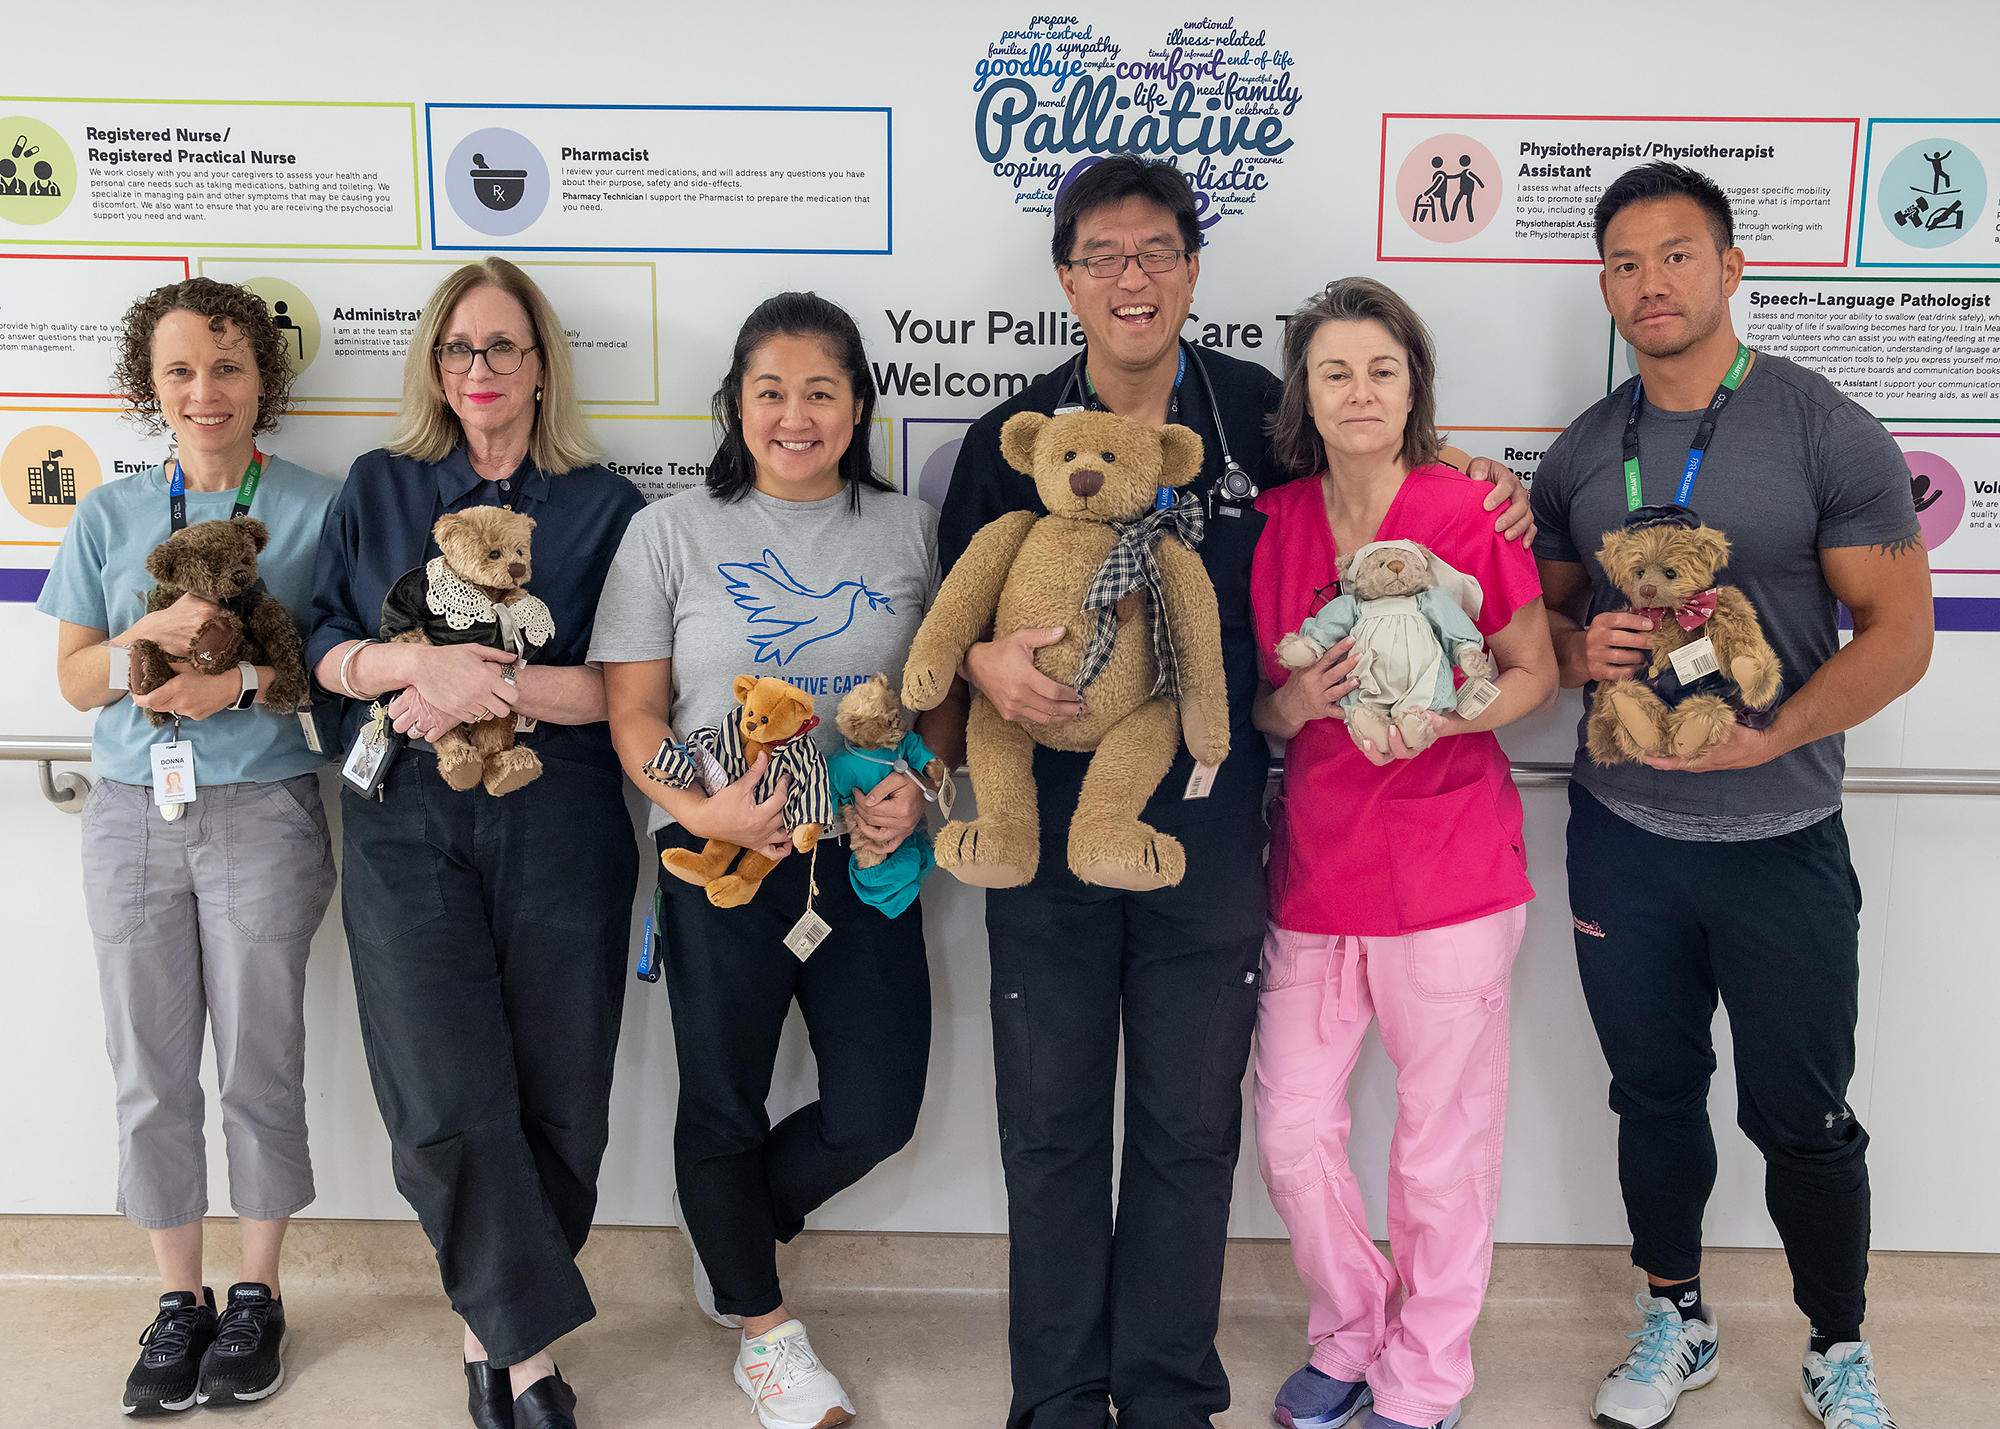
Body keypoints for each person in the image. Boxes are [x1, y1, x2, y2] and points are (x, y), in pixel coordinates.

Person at [933, 153, 1535, 1429]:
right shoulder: (1012, 438)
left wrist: (1484, 487)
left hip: (1205, 829)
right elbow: (957, 623)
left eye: (1157, 251)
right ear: (1066, 278)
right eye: (1102, 256)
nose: (1132, 278)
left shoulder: (1264, 412)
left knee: (1185, 1127)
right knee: (1046, 1133)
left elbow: (1378, 468)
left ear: (1195, 268)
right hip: (1041, 832)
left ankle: (1161, 1392)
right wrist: (981, 662)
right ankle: (1053, 1395)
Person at [1530, 162, 1932, 1429]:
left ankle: (1836, 1339)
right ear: (1602, 284)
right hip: (1623, 835)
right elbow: (1540, 614)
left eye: (1673, 255)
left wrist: (1774, 739)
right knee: (1649, 1092)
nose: (1649, 283)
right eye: (1623, 263)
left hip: (1780, 837)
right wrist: (1570, 648)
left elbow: (1899, 633)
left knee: (1800, 1112)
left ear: (1727, 266)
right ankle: (1675, 1315)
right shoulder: (1586, 451)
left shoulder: (1822, 427)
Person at [308, 258, 644, 1429]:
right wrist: (414, 665)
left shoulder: (607, 506)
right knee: (440, 1085)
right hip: (403, 817)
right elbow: (321, 649)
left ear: (540, 362)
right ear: (433, 367)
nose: (480, 371)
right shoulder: (379, 486)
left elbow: (624, 692)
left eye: (503, 347)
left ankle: (494, 1335)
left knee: (562, 1089)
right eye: (458, 350)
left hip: (559, 816)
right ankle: (517, 1347)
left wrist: (489, 676)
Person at [596, 292, 940, 1429]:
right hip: (720, 860)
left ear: (856, 409)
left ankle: (732, 1221)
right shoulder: (670, 532)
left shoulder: (907, 533)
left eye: (821, 391)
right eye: (769, 391)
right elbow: (635, 713)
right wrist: (709, 812)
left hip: (864, 862)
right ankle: (760, 1326)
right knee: (722, 1101)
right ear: (734, 407)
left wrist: (919, 789)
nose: (795, 415)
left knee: (876, 1108)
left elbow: (938, 705)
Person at [1247, 278, 1556, 1429]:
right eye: (1335, 372)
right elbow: (1265, 710)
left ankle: (1425, 1373)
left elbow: (1531, 670)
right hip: (1314, 878)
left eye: (1382, 369)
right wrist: (1294, 705)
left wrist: (1448, 715)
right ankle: (1347, 1329)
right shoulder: (1273, 525)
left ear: (1414, 384)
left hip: (1450, 874)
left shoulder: (1468, 509)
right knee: (1287, 1126)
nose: (1359, 391)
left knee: (1441, 1146)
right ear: (1305, 394)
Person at [38, 276, 340, 1416]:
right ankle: (178, 1299)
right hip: (129, 813)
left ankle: (255, 1294)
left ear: (264, 377)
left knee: (260, 1061)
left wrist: (245, 683)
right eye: (178, 370)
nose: (204, 391)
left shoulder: (320, 506)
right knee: (148, 1070)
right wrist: (140, 644)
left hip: (264, 815)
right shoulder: (111, 515)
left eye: (226, 366)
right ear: (148, 385)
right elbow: (72, 680)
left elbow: (341, 679)